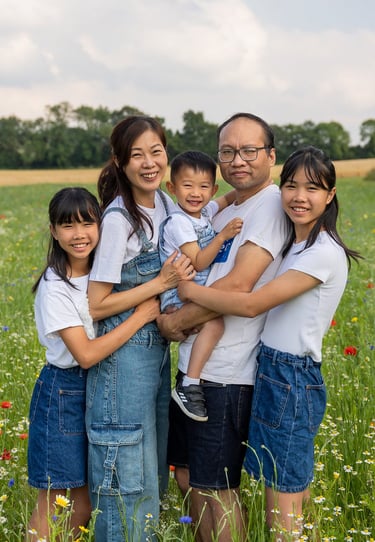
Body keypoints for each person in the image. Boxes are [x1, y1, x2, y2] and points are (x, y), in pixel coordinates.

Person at [178, 146, 361, 539]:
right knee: (278, 489)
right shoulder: (296, 244)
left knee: (284, 508)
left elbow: (250, 303)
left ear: (330, 195)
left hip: (292, 379)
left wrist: (188, 292)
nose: (299, 196)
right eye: (291, 186)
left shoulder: (323, 253)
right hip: (271, 370)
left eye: (313, 188)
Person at [157, 112, 288, 541]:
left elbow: (237, 284)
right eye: (228, 152)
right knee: (190, 482)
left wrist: (174, 322)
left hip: (226, 375)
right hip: (193, 373)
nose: (238, 160)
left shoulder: (270, 206)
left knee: (217, 491)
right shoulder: (224, 206)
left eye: (250, 151)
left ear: (271, 155)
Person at [27, 187, 162, 541]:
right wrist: (141, 315)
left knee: (86, 499)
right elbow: (85, 353)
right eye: (68, 225)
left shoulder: (102, 276)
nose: (79, 234)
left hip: (96, 386)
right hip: (63, 392)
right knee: (56, 497)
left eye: (88, 223)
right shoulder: (55, 287)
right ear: (54, 232)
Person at [85, 116, 194, 542]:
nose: (149, 163)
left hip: (152, 358)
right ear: (119, 162)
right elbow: (96, 303)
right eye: (137, 155)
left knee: (149, 473)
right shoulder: (118, 220)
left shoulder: (166, 206)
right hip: (120, 363)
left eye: (156, 152)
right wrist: (157, 287)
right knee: (125, 471)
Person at [159, 150, 243, 422]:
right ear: (172, 188)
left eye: (204, 186)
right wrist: (223, 235)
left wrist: (245, 194)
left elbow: (225, 199)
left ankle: (190, 380)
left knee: (215, 322)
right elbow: (199, 261)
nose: (196, 193)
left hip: (191, 291)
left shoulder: (201, 211)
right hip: (177, 295)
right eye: (187, 186)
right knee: (215, 323)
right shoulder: (179, 222)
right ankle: (188, 384)